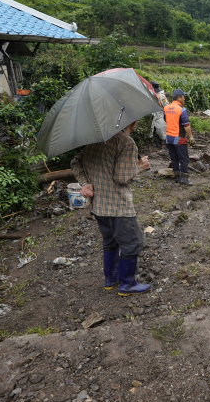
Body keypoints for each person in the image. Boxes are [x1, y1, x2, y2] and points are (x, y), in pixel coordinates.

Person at [71, 120, 152, 296]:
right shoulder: (125, 142)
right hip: (118, 207)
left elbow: (76, 162)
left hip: (98, 206)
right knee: (133, 242)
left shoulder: (94, 139)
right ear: (134, 121)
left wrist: (85, 184)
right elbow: (122, 177)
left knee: (110, 242)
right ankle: (127, 284)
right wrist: (139, 167)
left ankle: (111, 279)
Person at [164, 88, 194, 186]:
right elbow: (186, 125)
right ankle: (184, 179)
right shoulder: (181, 109)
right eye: (183, 97)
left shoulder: (166, 108)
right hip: (178, 138)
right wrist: (191, 137)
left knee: (174, 158)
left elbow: (166, 120)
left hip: (168, 138)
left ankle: (177, 177)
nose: (184, 99)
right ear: (179, 98)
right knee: (184, 159)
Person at [149, 81, 169, 148]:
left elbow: (166, 106)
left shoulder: (161, 96)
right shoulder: (153, 95)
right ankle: (158, 146)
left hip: (161, 115)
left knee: (161, 131)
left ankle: (167, 146)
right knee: (155, 131)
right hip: (155, 115)